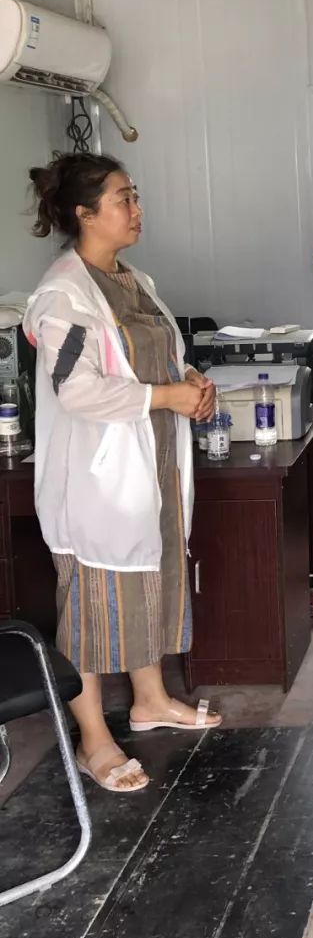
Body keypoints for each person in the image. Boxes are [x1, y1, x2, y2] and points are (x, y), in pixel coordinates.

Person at [24, 152, 222, 794]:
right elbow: (77, 390)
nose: (137, 209)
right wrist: (167, 396)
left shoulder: (135, 281)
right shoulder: (64, 295)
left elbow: (159, 356)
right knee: (91, 607)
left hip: (154, 463)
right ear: (85, 214)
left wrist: (190, 382)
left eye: (135, 196)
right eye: (123, 199)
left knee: (149, 586)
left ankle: (151, 700)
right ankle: (94, 741)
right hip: (98, 479)